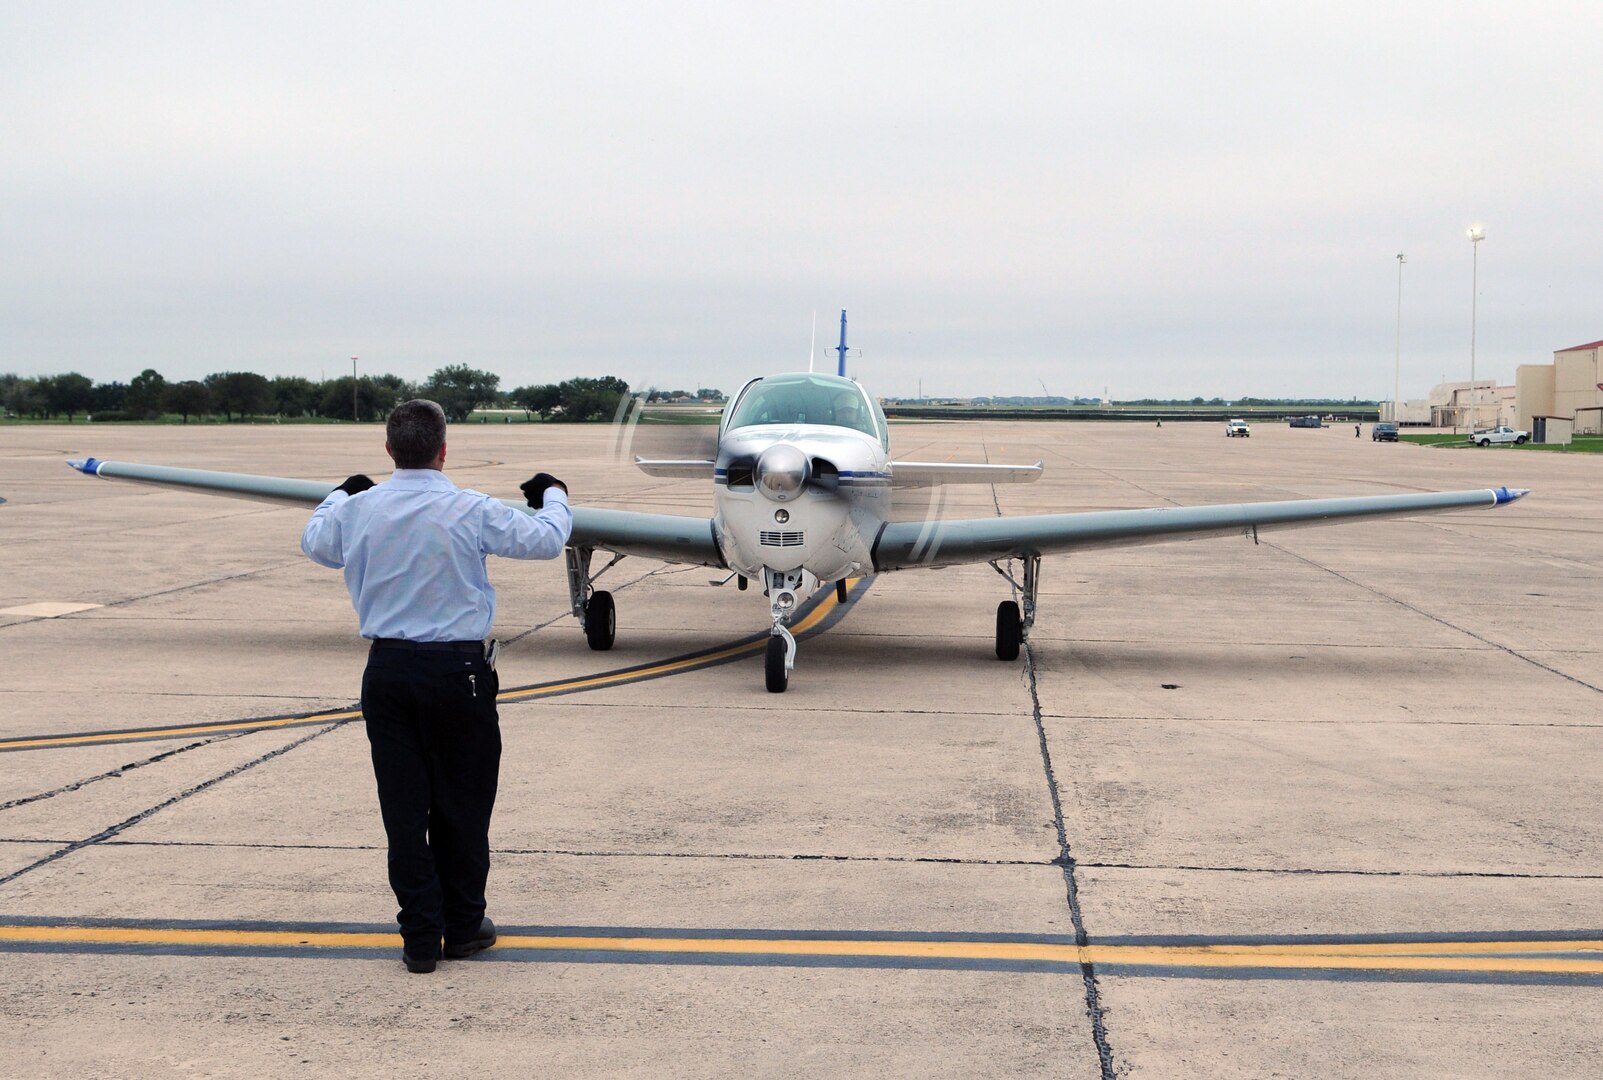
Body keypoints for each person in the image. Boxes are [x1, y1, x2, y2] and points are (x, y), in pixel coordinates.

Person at [301, 398, 573, 974]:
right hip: (458, 675)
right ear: (443, 449)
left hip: (388, 673)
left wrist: (342, 493)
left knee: (404, 809)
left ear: (389, 450)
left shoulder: (359, 511)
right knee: (463, 805)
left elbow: (316, 541)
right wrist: (553, 493)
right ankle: (463, 922)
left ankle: (420, 937)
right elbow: (547, 540)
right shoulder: (468, 508)